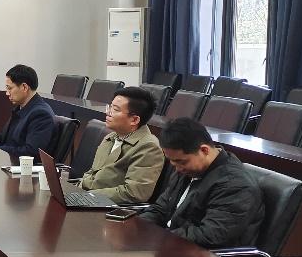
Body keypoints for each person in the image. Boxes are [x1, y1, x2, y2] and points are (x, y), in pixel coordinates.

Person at [140, 117, 265, 248]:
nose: (177, 168)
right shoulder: (187, 170)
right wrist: (137, 227)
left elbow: (209, 236)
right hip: (172, 243)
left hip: (204, 255)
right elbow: (160, 209)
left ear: (204, 150)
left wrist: (160, 239)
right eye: (173, 162)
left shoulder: (236, 186)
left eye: (181, 162)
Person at [75, 86, 165, 204]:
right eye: (110, 107)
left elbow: (134, 193)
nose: (108, 113)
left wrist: (89, 196)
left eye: (116, 110)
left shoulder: (148, 147)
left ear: (134, 120)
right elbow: (93, 172)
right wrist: (77, 189)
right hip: (87, 198)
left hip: (107, 207)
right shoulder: (111, 137)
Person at [0, 64, 56, 161]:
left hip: (24, 168)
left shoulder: (41, 114)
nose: (7, 93)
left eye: (10, 88)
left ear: (24, 87)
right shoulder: (21, 108)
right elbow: (8, 142)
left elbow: (30, 152)